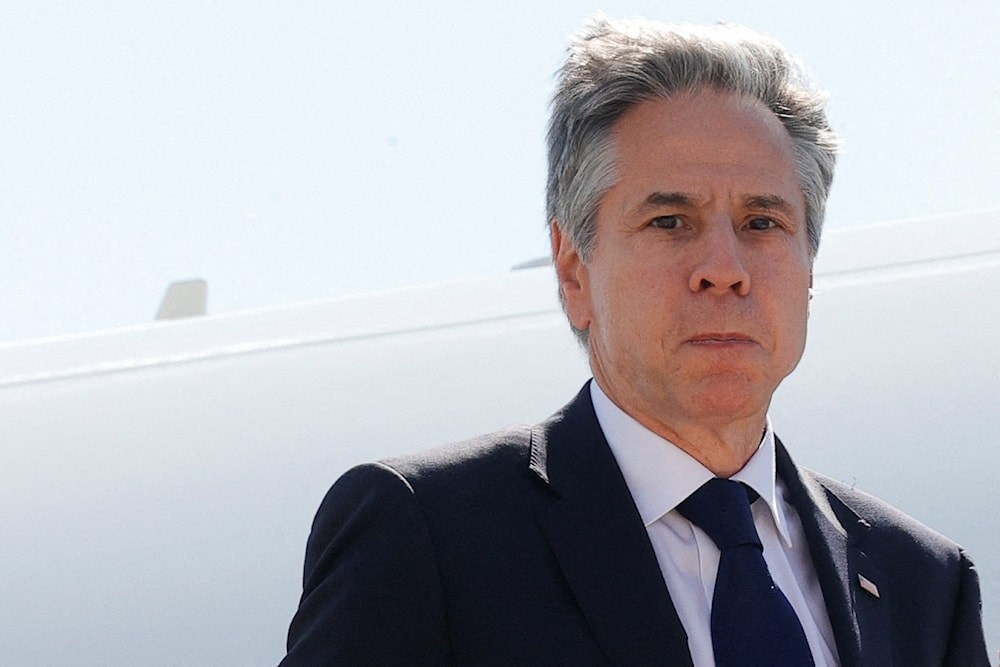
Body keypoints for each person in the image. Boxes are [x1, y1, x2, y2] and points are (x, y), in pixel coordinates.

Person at [281, 16, 989, 666]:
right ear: (573, 270)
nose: (724, 270)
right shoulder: (429, 537)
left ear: (809, 264)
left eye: (762, 222)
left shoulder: (922, 581)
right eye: (671, 221)